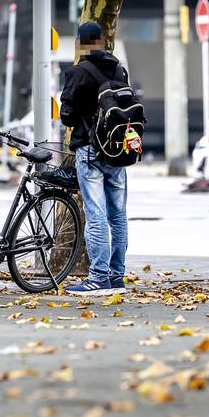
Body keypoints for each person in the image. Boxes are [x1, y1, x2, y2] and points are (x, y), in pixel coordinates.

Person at [59, 22, 131, 296]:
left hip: (90, 150)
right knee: (118, 215)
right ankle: (116, 276)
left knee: (96, 213)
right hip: (117, 150)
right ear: (102, 41)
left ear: (80, 43)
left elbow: (67, 115)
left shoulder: (78, 72)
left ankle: (98, 277)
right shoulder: (118, 68)